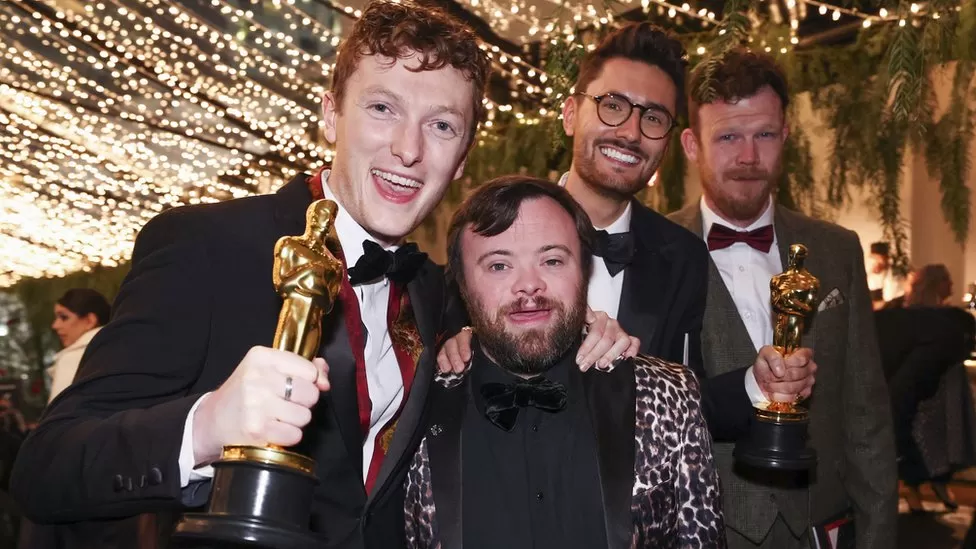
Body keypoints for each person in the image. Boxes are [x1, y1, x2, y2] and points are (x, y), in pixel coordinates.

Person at [10, 4, 631, 547]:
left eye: (442, 125)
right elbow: (48, 468)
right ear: (332, 116)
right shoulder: (208, 245)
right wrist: (206, 426)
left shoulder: (437, 289)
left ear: (463, 154)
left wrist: (589, 331)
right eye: (383, 109)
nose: (409, 149)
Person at [438, 23, 816, 443]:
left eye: (653, 117)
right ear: (569, 115)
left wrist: (756, 384)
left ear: (668, 145)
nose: (631, 132)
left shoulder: (683, 257)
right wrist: (469, 341)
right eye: (612, 105)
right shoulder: (489, 231)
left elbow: (685, 408)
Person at [405, 176, 726, 548]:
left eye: (552, 260)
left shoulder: (670, 396)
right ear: (462, 285)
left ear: (584, 271)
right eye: (498, 266)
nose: (529, 285)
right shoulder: (416, 407)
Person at [668, 49, 897, 549]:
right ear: (691, 144)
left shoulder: (837, 250)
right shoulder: (655, 250)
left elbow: (867, 414)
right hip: (701, 528)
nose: (748, 157)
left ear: (786, 136)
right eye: (728, 136)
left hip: (818, 526)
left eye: (764, 135)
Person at [876, 264, 976, 513]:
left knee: (929, 439)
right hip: (930, 394)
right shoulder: (950, 320)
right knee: (929, 438)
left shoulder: (900, 314)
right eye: (948, 280)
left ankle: (923, 486)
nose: (953, 285)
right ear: (937, 283)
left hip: (931, 390)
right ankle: (917, 486)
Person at [47, 288, 111, 402]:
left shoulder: (74, 357)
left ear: (89, 321)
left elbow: (60, 415)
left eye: (63, 317)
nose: (55, 325)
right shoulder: (123, 346)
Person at [866, 242, 905, 309]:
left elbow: (891, 300)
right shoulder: (871, 273)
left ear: (886, 258)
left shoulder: (895, 273)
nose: (876, 262)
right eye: (874, 258)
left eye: (879, 258)